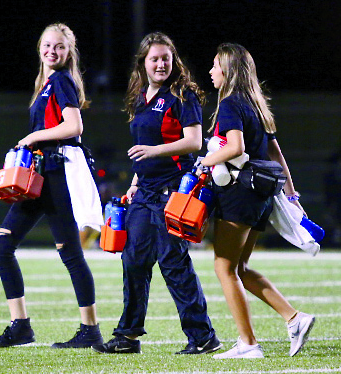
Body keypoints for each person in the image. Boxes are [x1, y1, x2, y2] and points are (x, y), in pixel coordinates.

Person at [92, 32, 221, 355]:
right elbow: (143, 153)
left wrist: (152, 151)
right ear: (143, 63)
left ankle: (203, 336)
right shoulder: (139, 97)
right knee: (133, 260)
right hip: (145, 192)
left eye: (166, 57)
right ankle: (127, 336)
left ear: (173, 60)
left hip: (173, 192)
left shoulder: (182, 94)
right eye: (155, 58)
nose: (161, 63)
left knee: (173, 264)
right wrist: (136, 180)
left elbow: (194, 142)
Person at [0, 23, 104, 349]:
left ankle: (90, 330)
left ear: (68, 52)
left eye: (59, 47)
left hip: (56, 175)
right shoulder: (47, 83)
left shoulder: (61, 80)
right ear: (40, 48)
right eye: (47, 45)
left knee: (71, 253)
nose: (52, 51)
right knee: (2, 247)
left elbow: (74, 126)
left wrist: (33, 137)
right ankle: (20, 326)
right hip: (40, 175)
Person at [200, 43, 315, 359]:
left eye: (215, 66)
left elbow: (235, 148)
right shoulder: (257, 104)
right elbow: (276, 154)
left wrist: (205, 161)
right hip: (263, 194)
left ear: (228, 70)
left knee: (224, 267)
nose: (211, 72)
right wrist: (292, 195)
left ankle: (248, 343)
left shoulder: (230, 104)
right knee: (240, 266)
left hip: (240, 192)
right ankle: (294, 318)